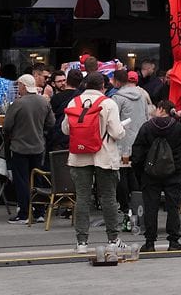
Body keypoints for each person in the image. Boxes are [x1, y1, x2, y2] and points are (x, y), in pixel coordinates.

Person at [62, 73, 126, 254]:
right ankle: (113, 240)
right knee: (108, 197)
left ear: (85, 85)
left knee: (82, 198)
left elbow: (65, 129)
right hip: (104, 156)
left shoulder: (73, 102)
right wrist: (122, 129)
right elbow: (116, 132)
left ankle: (81, 242)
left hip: (79, 156)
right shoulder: (108, 103)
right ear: (103, 86)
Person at [133, 99, 181, 252]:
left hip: (150, 173)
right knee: (172, 207)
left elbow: (137, 151)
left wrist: (140, 172)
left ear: (160, 109)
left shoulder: (147, 127)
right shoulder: (178, 126)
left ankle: (150, 242)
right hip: (173, 171)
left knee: (151, 207)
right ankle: (174, 241)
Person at [3, 74, 54, 224]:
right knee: (37, 178)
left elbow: (7, 125)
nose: (18, 88)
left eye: (19, 85)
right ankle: (39, 212)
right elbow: (51, 122)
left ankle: (24, 213)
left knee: (22, 180)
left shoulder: (18, 103)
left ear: (24, 86)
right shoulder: (43, 102)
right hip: (38, 145)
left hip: (20, 146)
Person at [111, 69, 149, 230]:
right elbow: (147, 116)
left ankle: (125, 207)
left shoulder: (117, 98)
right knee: (134, 174)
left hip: (122, 142)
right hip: (139, 140)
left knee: (122, 174)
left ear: (117, 81)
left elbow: (113, 121)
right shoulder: (142, 95)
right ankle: (137, 205)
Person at [48, 69, 83, 152]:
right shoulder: (82, 97)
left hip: (60, 137)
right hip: (74, 136)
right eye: (59, 81)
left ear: (67, 80)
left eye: (64, 80)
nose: (63, 83)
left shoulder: (55, 99)